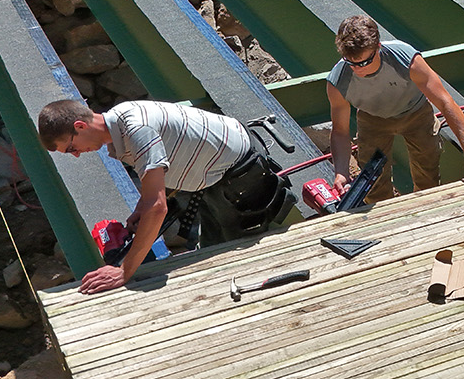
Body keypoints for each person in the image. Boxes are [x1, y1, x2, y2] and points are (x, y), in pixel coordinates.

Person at [37, 97, 290, 294]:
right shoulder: (121, 121)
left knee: (235, 262)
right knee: (211, 249)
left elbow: (157, 207)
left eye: (71, 148)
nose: (76, 155)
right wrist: (141, 207)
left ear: (80, 126)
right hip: (213, 173)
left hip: (239, 177)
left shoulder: (137, 130)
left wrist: (124, 271)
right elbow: (160, 172)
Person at [327, 14, 464, 203]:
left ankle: (425, 208)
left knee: (427, 175)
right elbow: (340, 131)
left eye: (364, 62)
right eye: (351, 63)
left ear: (378, 47)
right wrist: (341, 172)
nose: (358, 69)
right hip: (372, 119)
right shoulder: (339, 81)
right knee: (373, 185)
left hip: (415, 112)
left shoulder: (405, 59)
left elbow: (445, 102)